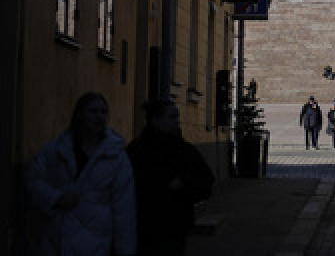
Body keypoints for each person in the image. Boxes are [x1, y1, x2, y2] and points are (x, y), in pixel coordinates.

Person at [25, 91, 136, 255]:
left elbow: (124, 210)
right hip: (57, 242)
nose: (99, 117)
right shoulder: (56, 150)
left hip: (95, 243)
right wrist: (56, 198)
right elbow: (33, 180)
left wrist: (125, 250)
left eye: (103, 112)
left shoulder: (117, 158)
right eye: (93, 111)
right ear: (80, 115)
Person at [127, 99, 214, 256]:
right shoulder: (137, 151)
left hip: (175, 229)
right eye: (172, 117)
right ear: (155, 120)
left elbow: (206, 182)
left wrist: (184, 184)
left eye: (177, 117)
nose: (177, 122)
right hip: (144, 227)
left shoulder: (185, 151)